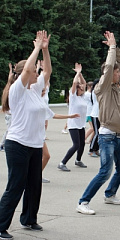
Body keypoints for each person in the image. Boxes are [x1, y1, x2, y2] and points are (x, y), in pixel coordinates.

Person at [0, 30, 51, 240]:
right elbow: (29, 67)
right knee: (16, 186)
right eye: (33, 73)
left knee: (34, 185)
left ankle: (29, 219)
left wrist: (46, 51)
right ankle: (1, 226)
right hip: (17, 144)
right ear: (25, 75)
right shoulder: (17, 91)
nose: (37, 74)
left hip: (35, 145)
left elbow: (47, 72)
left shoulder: (35, 89)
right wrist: (36, 47)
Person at [76, 31, 120, 215]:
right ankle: (83, 202)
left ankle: (110, 194)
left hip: (117, 136)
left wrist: (116, 47)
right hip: (106, 137)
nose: (119, 72)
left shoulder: (116, 86)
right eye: (116, 71)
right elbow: (110, 67)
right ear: (108, 73)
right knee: (105, 171)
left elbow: (119, 63)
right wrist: (111, 49)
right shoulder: (102, 88)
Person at [41, 87, 80, 183]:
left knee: (46, 156)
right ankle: (31, 177)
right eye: (42, 90)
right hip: (29, 136)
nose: (44, 92)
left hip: (39, 136)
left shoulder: (42, 104)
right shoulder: (30, 100)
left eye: (44, 90)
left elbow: (54, 115)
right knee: (36, 157)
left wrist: (70, 116)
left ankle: (37, 175)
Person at [58, 63, 87, 172]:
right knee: (76, 145)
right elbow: (75, 83)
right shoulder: (73, 96)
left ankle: (78, 160)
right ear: (77, 89)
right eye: (81, 87)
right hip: (73, 125)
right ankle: (62, 163)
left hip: (81, 124)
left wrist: (80, 74)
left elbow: (83, 83)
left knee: (82, 143)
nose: (83, 87)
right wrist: (77, 73)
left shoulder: (82, 96)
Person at [0, 63, 13, 152]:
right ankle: (2, 144)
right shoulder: (11, 90)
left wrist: (11, 70)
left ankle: (2, 144)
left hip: (8, 115)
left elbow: (10, 79)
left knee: (9, 130)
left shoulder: (8, 88)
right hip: (10, 115)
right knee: (9, 130)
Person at [88, 79, 100, 157]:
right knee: (96, 132)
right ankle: (91, 150)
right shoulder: (95, 91)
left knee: (100, 133)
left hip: (100, 114)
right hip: (95, 114)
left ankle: (96, 149)